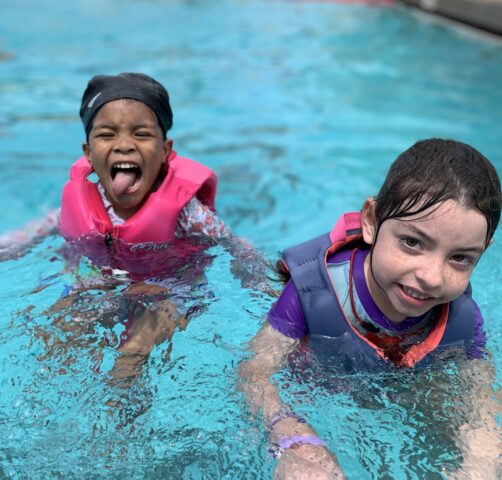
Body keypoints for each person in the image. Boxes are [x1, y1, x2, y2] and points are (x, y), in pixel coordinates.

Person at [239, 139, 501, 479]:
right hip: (315, 384)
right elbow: (253, 373)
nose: (432, 277)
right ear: (371, 221)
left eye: (460, 257)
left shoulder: (462, 317)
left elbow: (479, 395)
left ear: (483, 251)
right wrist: (294, 438)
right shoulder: (314, 293)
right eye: (412, 242)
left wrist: (482, 451)